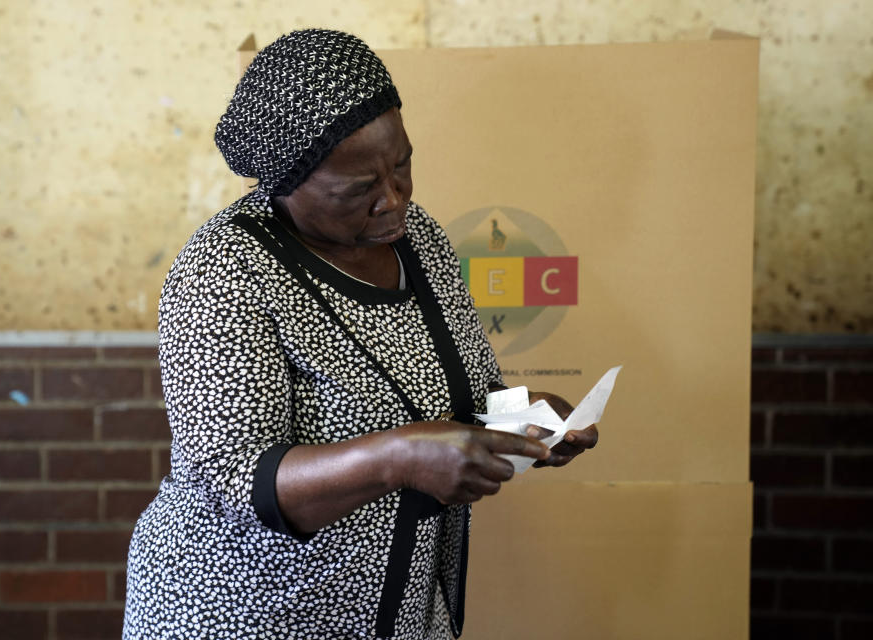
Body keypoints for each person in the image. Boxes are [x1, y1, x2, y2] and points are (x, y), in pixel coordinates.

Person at [123, 29, 598, 640]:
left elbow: (472, 392)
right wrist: (397, 457)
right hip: (249, 612)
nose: (394, 197)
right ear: (287, 184)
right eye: (358, 189)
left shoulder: (417, 240)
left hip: (399, 607)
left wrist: (526, 419)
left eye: (401, 164)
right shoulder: (225, 269)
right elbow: (238, 479)